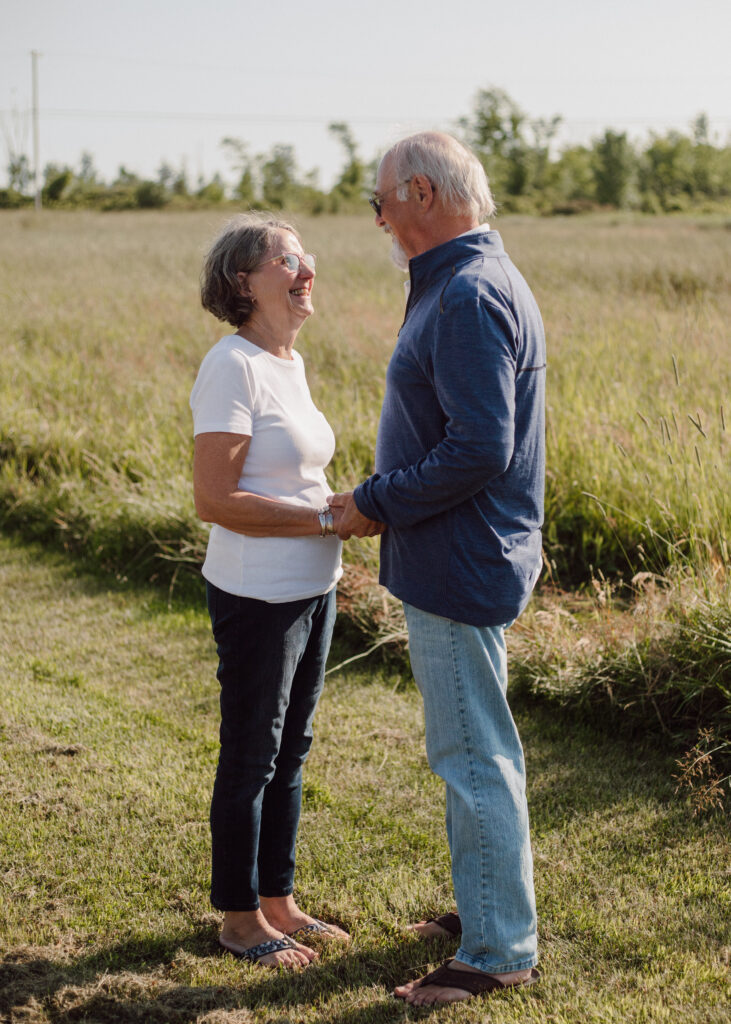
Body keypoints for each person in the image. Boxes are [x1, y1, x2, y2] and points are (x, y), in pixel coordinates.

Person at [329, 132, 545, 1005]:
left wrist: (374, 500)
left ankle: (497, 952)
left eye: (378, 202)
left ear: (418, 192)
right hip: (467, 554)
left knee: (470, 755)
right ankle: (488, 903)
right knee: (477, 747)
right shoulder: (470, 276)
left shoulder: (463, 292)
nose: (377, 218)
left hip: (459, 560)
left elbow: (475, 449)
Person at [191, 213, 382, 969]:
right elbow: (215, 499)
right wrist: (327, 518)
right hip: (257, 594)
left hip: (313, 586)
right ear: (243, 281)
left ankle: (277, 901)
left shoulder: (286, 362)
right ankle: (238, 921)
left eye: (307, 257)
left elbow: (292, 475)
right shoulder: (231, 364)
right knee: (251, 755)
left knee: (291, 750)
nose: (307, 269)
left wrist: (332, 525)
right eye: (286, 258)